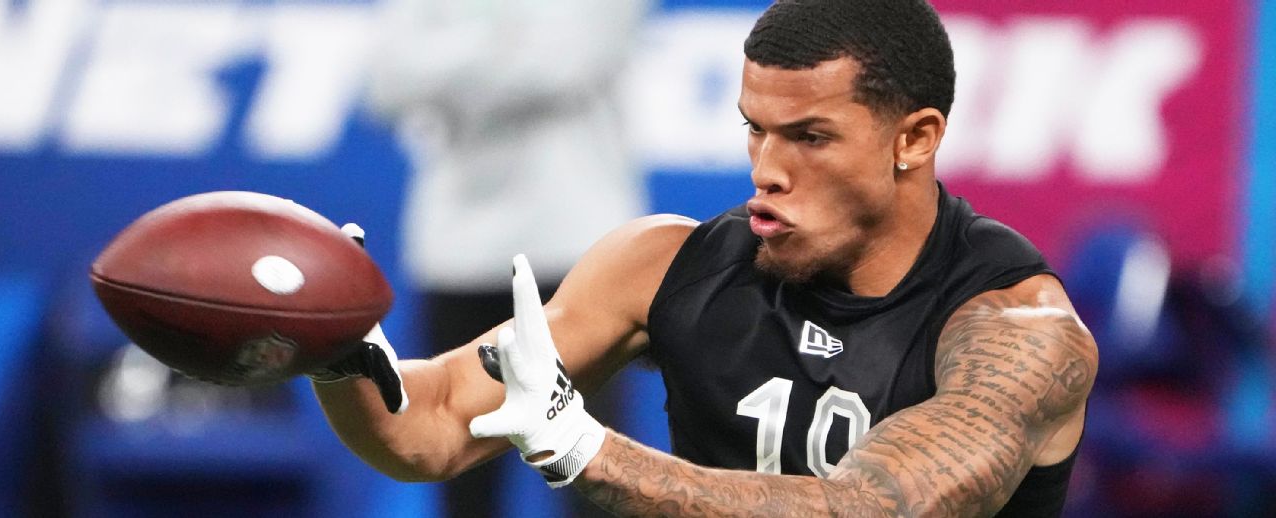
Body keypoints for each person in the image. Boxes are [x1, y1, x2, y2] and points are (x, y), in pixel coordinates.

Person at [312, 0, 1099, 516]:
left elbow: (876, 506)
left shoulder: (1017, 330)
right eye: (756, 128)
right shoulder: (665, 267)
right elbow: (438, 424)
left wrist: (588, 450)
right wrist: (340, 353)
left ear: (916, 138)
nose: (767, 169)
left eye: (811, 138)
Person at [360, 1, 651, 515]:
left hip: (577, 247)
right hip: (455, 254)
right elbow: (385, 85)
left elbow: (562, 68)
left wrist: (448, 47)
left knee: (595, 475)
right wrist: (507, 39)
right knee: (461, 478)